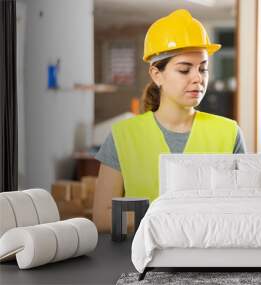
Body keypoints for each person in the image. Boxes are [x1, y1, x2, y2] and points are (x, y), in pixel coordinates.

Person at [92, 9, 247, 232]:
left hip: (211, 259)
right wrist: (167, 224)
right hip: (141, 261)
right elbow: (102, 217)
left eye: (203, 69)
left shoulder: (229, 132)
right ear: (157, 75)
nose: (198, 78)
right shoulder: (122, 136)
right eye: (184, 70)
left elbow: (243, 208)